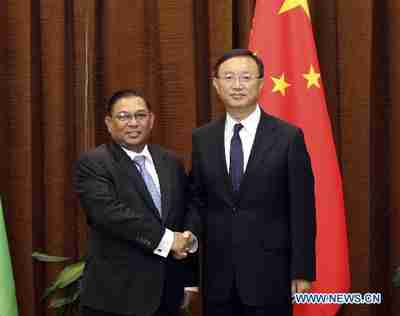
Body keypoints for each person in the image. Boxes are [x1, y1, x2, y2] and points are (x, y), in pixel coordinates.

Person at [189, 49, 316, 316]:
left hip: (270, 275)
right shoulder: (202, 138)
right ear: (216, 84)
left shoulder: (288, 137)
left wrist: (302, 271)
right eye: (229, 77)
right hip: (218, 278)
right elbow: (197, 202)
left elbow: (302, 209)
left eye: (246, 77)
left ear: (260, 83)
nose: (237, 85)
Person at [74, 89, 199, 316]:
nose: (133, 123)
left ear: (151, 120)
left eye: (140, 115)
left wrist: (188, 274)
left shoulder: (170, 161)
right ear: (109, 123)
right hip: (116, 298)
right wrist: (169, 239)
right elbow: (110, 215)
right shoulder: (94, 163)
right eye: (123, 116)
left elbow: (185, 211)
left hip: (167, 295)